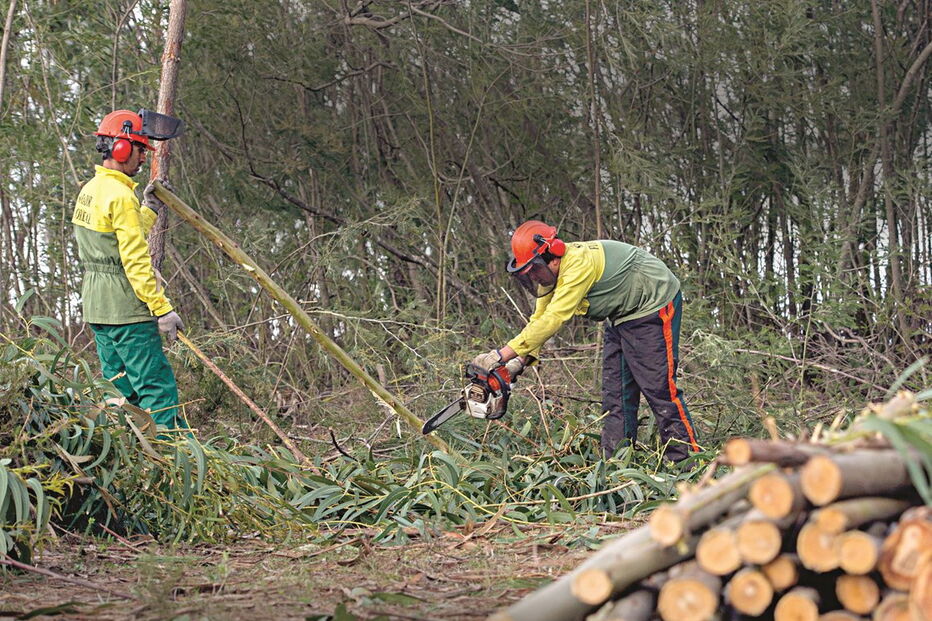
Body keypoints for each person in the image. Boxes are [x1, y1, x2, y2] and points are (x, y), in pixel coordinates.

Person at [472, 220, 700, 462]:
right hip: (621, 315)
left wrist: (499, 356)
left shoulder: (577, 266)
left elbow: (554, 318)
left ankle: (688, 462)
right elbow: (539, 320)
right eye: (529, 275)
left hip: (652, 303)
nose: (536, 279)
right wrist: (517, 361)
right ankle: (617, 465)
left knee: (659, 389)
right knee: (616, 396)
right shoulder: (550, 279)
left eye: (536, 271)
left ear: (555, 255)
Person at [72, 108, 186, 431]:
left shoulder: (90, 191)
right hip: (127, 312)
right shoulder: (121, 196)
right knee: (156, 389)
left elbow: (114, 242)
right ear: (121, 148)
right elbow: (134, 261)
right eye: (139, 149)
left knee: (121, 393)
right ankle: (174, 461)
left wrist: (148, 209)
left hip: (97, 309)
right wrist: (162, 309)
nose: (141, 158)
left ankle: (132, 458)